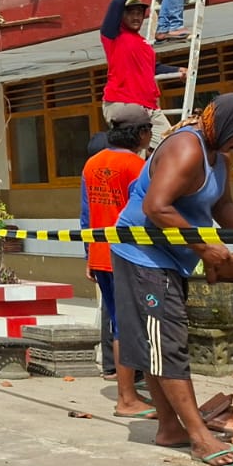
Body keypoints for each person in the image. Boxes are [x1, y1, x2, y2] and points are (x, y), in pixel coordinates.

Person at [112, 94, 233, 466]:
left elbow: (224, 206)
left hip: (174, 257)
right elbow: (155, 206)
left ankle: (170, 428)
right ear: (224, 127)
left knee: (161, 342)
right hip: (143, 254)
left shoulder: (219, 157)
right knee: (168, 342)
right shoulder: (185, 149)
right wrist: (205, 246)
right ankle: (199, 438)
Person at [79, 108, 154, 416]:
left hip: (101, 254)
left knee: (119, 323)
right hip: (130, 257)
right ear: (141, 134)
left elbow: (85, 214)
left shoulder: (91, 164)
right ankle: (128, 398)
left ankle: (129, 394)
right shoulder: (137, 166)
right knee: (133, 327)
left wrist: (88, 254)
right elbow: (148, 212)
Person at [99, 0, 178, 146]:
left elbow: (152, 67)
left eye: (139, 13)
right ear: (122, 16)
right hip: (124, 104)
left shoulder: (142, 43)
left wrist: (177, 70)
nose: (136, 17)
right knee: (138, 152)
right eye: (131, 13)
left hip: (149, 107)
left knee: (170, 145)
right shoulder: (113, 34)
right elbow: (116, 3)